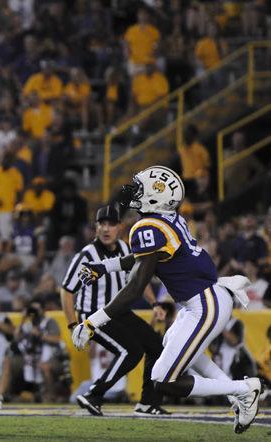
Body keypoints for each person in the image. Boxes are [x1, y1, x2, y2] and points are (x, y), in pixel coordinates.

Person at [73, 165, 263, 434]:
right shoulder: (165, 219)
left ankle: (244, 389)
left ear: (155, 198)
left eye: (140, 189)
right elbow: (140, 259)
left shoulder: (149, 226)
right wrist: (105, 267)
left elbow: (136, 286)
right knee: (173, 348)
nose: (133, 193)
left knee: (163, 379)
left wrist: (94, 321)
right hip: (202, 300)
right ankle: (239, 394)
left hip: (204, 303)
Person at [61, 205, 167, 416]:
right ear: (96, 227)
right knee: (131, 351)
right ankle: (94, 395)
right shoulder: (86, 255)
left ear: (120, 227)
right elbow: (66, 291)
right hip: (93, 316)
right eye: (102, 224)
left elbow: (140, 278)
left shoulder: (127, 249)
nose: (106, 229)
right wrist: (74, 324)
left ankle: (148, 402)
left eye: (111, 224)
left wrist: (154, 303)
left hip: (119, 312)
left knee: (156, 345)